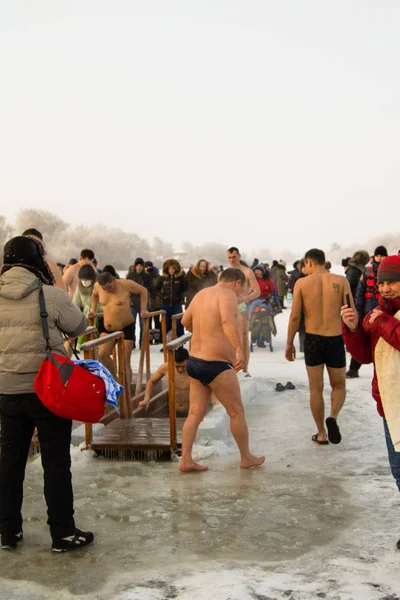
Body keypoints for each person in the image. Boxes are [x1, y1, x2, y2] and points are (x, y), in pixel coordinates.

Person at [0, 236, 93, 552]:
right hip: (48, 391)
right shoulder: (50, 295)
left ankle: (8, 532)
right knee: (56, 463)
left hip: (6, 392)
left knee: (10, 462)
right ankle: (63, 533)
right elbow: (79, 326)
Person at [179, 267, 265, 472]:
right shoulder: (227, 295)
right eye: (241, 288)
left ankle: (186, 460)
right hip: (216, 364)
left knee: (194, 414)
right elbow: (227, 321)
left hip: (195, 362)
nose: (240, 293)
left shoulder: (201, 294)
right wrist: (238, 349)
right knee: (236, 411)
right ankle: (246, 457)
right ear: (237, 283)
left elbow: (185, 321)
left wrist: (204, 329)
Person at [342, 255, 400, 549]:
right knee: (399, 470)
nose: (386, 288)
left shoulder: (382, 316)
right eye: (382, 283)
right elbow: (364, 356)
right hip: (391, 405)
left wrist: (384, 321)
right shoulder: (378, 313)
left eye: (392, 282)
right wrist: (352, 329)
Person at [285, 248, 352, 445]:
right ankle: (332, 416)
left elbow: (295, 316)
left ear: (309, 262)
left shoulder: (302, 283)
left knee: (316, 388)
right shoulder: (341, 281)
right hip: (335, 338)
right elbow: (350, 313)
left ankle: (321, 433)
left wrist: (289, 343)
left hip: (313, 339)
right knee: (339, 385)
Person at [90, 272, 150, 387]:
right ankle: (115, 381)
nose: (108, 290)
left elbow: (143, 291)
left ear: (113, 280)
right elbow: (94, 295)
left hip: (126, 326)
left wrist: (143, 309)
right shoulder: (97, 286)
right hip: (107, 327)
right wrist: (93, 309)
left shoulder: (125, 284)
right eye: (105, 289)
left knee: (124, 361)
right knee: (102, 355)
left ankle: (126, 391)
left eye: (110, 287)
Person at [347, 245, 388, 378]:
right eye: (377, 256)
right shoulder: (367, 272)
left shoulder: (390, 272)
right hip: (367, 312)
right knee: (362, 342)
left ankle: (383, 372)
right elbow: (360, 292)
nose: (379, 258)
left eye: (382, 255)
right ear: (374, 257)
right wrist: (358, 310)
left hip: (384, 314)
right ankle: (353, 369)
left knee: (383, 345)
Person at [226, 247, 261, 375]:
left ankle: (245, 370)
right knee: (229, 339)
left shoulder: (247, 272)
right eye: (229, 257)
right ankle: (232, 368)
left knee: (243, 339)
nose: (232, 260)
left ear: (239, 256)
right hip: (228, 307)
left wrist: (244, 298)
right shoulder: (226, 273)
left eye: (234, 257)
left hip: (241, 308)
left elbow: (257, 291)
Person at [139, 347, 190, 416]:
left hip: (192, 411)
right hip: (174, 410)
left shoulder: (196, 369)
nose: (180, 370)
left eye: (183, 366)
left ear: (188, 361)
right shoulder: (166, 367)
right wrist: (146, 398)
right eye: (177, 366)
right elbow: (151, 381)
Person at [155, 259, 186, 339]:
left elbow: (185, 290)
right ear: (166, 269)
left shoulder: (180, 278)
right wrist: (163, 296)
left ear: (176, 269)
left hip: (177, 305)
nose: (171, 270)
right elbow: (155, 290)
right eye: (169, 268)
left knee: (179, 324)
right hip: (166, 305)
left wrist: (181, 297)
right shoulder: (162, 278)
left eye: (173, 268)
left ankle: (180, 345)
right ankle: (165, 345)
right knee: (165, 325)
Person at [126, 258, 153, 349]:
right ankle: (131, 343)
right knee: (131, 325)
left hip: (143, 304)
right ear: (135, 266)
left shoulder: (147, 276)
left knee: (143, 326)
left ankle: (143, 344)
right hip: (133, 303)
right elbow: (127, 289)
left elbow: (150, 289)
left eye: (141, 265)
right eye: (137, 265)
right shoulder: (130, 275)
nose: (139, 267)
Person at [144, 261, 162, 343]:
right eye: (146, 266)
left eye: (149, 266)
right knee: (148, 322)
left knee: (157, 321)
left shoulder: (158, 277)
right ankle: (150, 339)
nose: (148, 268)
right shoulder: (143, 277)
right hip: (147, 302)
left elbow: (161, 288)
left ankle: (157, 338)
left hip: (157, 302)